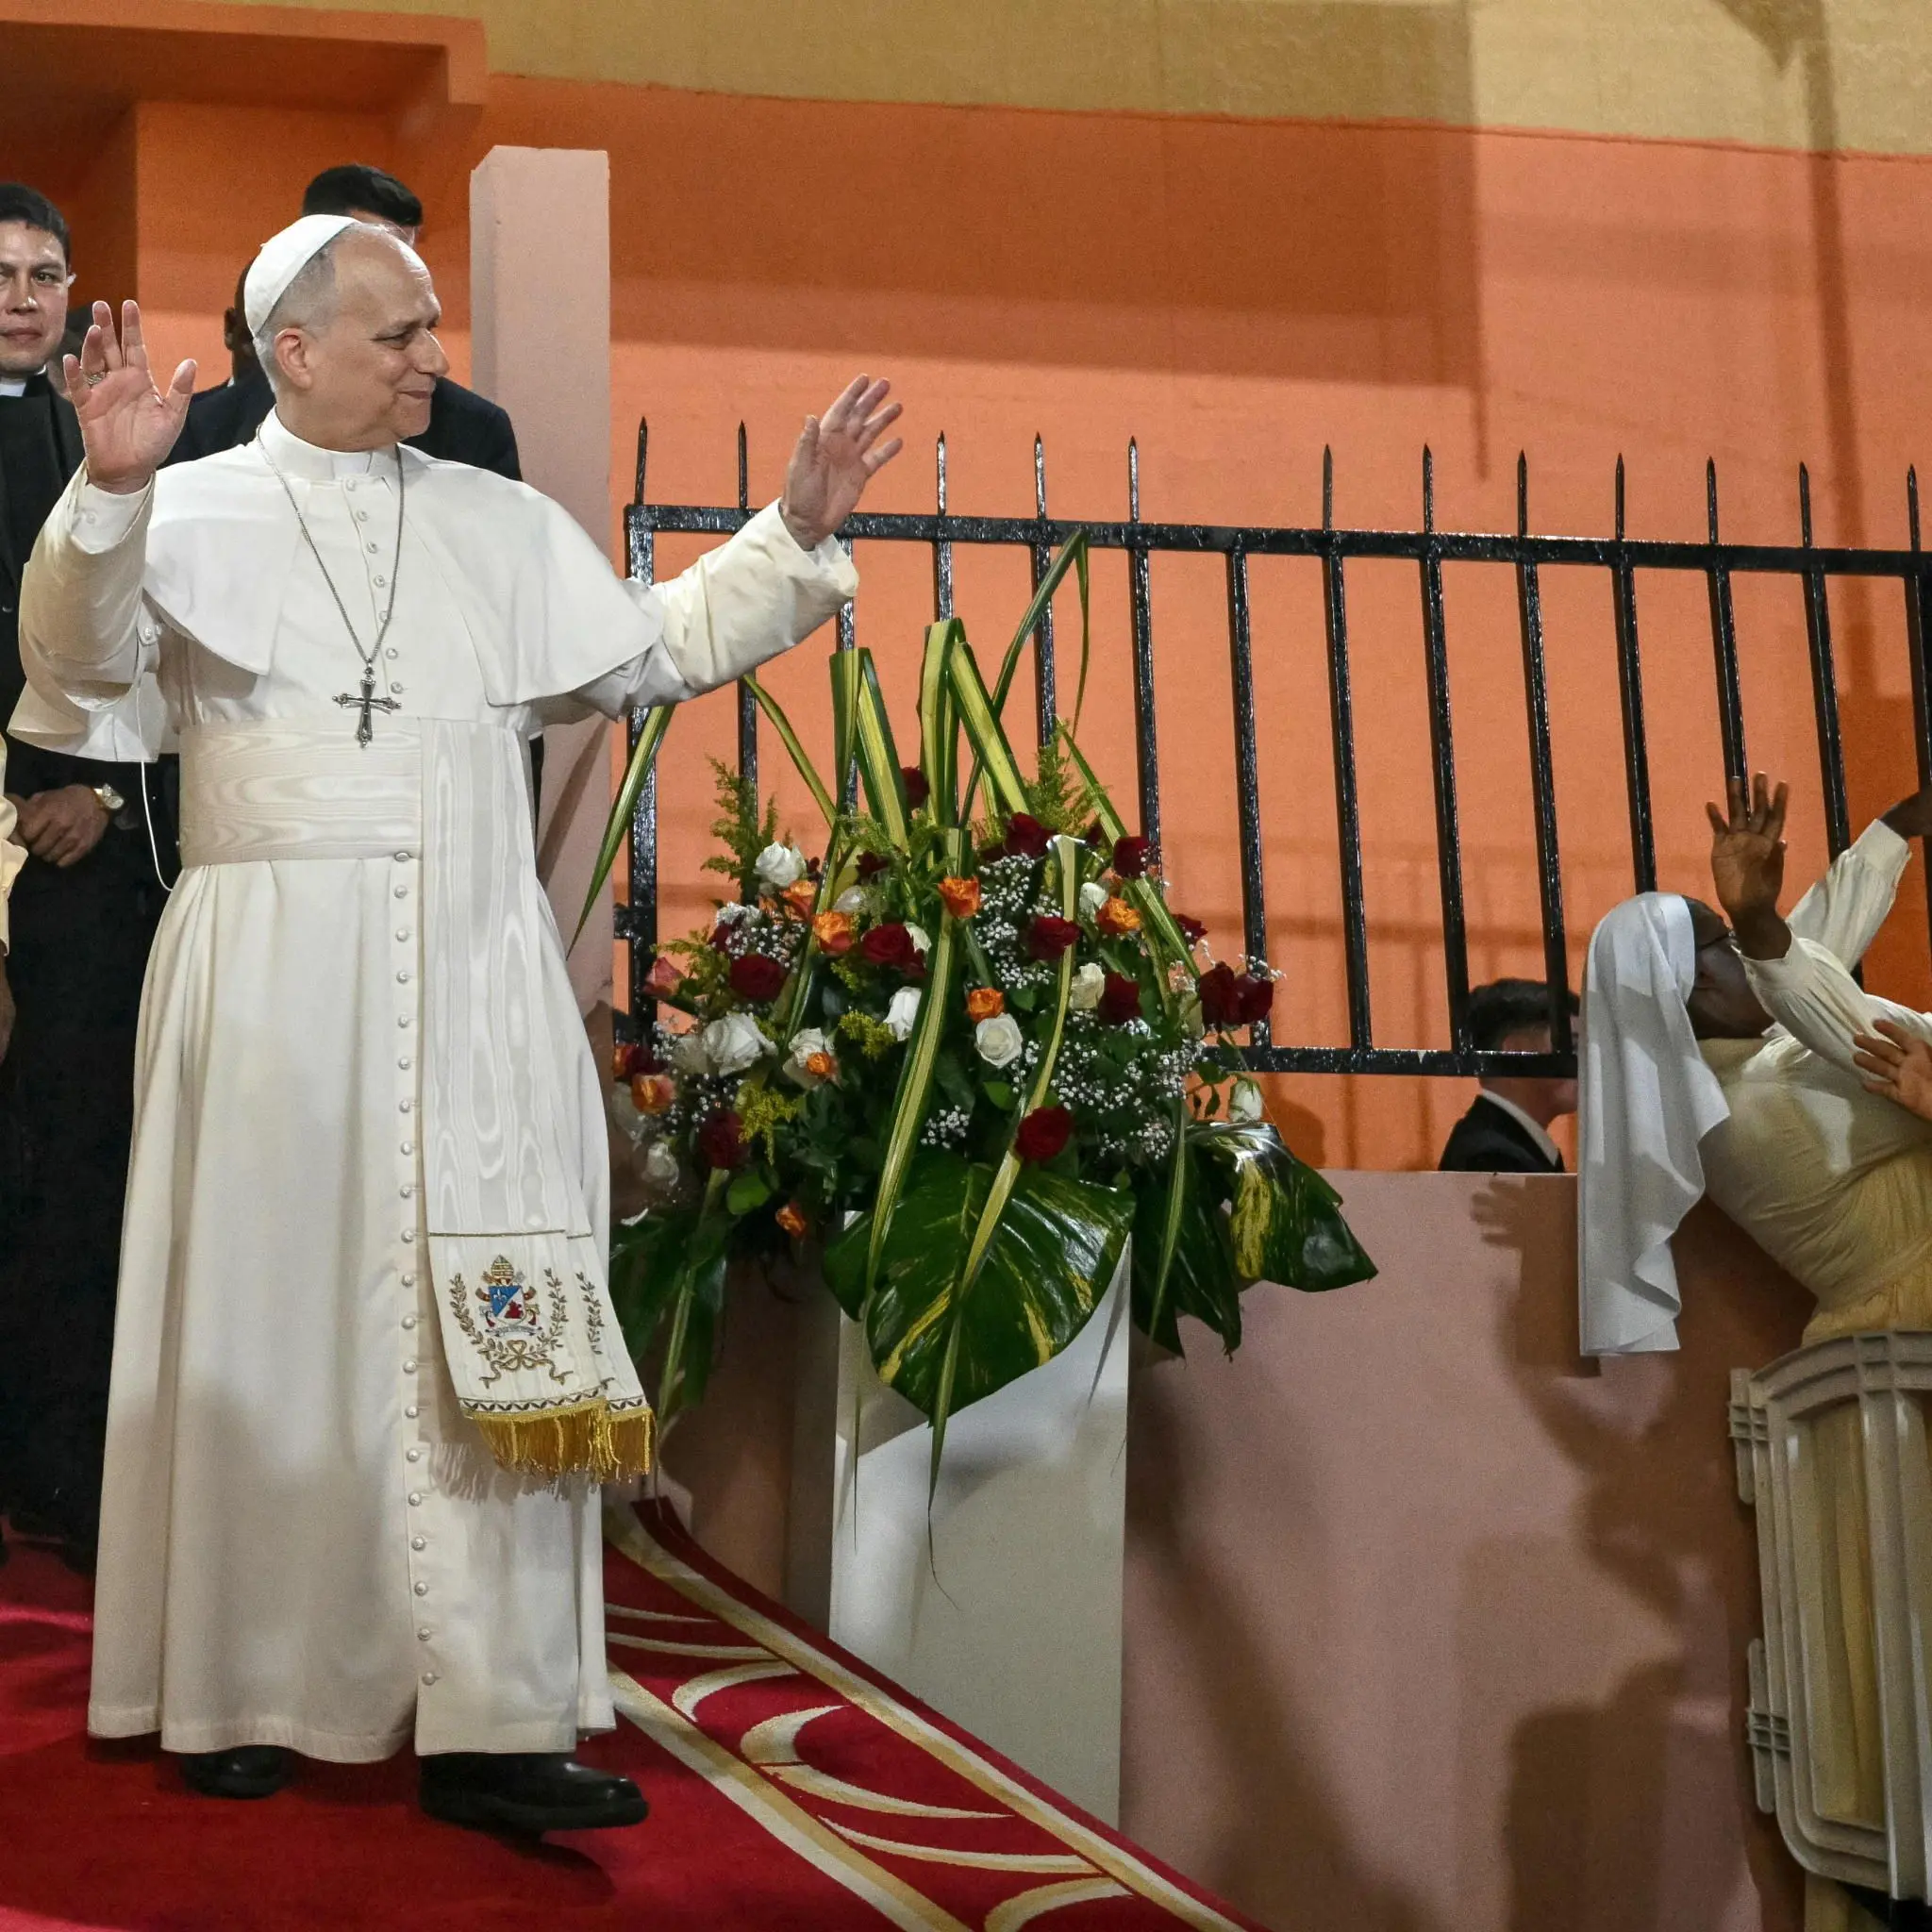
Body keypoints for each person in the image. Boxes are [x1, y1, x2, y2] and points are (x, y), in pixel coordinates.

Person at [13, 213, 900, 1828]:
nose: (434, 357)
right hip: (271, 969)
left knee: (487, 1324)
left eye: (430, 329)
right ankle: (245, 1675)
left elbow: (655, 649)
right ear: (294, 352)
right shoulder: (186, 507)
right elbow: (72, 660)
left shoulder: (499, 523)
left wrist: (792, 530)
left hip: (476, 970)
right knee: (267, 1319)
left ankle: (496, 1712)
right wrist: (115, 489)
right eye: (398, 333)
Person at [1578, 773, 1932, 1932]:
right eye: (1715, 958)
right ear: (1677, 1009)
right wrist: (1772, 926)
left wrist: (1888, 830)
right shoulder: (1740, 1117)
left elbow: (1801, 967)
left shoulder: (1744, 1052)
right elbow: (1846, 1015)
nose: (1737, 961)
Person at [0, 183, 171, 1575]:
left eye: (45, 272)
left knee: (68, 1171)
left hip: (81, 866)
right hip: (10, 823)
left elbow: (143, 652)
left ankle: (56, 1462)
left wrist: (101, 794)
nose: (22, 293)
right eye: (0, 270)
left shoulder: (105, 444)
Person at [166, 166, 519, 478]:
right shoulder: (199, 431)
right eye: (370, 244)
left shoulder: (472, 429)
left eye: (405, 250)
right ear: (297, 352)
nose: (437, 362)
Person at [1437, 977, 1577, 1173]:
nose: (1581, 1060)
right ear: (1515, 1051)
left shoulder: (1498, 1140)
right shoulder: (1491, 1155)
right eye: (1571, 1045)